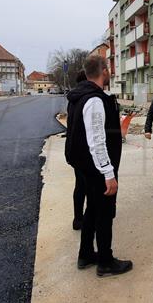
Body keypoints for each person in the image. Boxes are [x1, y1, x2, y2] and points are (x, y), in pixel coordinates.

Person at [65, 55, 133, 277]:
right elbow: (97, 141)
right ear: (103, 71)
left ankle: (85, 254)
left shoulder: (81, 96)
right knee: (104, 213)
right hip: (96, 168)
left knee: (92, 210)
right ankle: (105, 261)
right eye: (109, 68)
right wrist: (108, 173)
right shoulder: (94, 100)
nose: (110, 71)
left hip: (84, 165)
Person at [70, 70, 88, 230]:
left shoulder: (73, 98)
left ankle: (77, 218)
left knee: (79, 185)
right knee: (91, 186)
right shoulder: (87, 97)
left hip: (74, 148)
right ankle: (88, 219)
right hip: (86, 149)